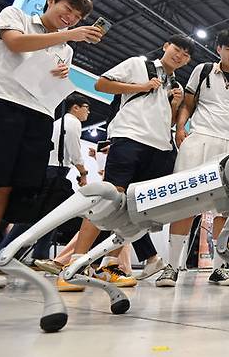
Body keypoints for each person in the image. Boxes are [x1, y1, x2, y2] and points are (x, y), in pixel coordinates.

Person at [0, 0, 100, 289]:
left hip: (37, 114)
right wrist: (67, 36)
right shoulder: (17, 16)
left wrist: (60, 71)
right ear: (50, 1)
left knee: (2, 187)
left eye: (76, 18)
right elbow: (14, 43)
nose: (70, 19)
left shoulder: (66, 48)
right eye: (67, 9)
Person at [56, 34, 193, 291]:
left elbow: (171, 121)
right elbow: (102, 84)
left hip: (160, 147)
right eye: (177, 49)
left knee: (135, 209)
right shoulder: (137, 65)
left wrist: (175, 104)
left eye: (186, 54)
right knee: (110, 200)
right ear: (165, 46)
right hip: (130, 136)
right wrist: (140, 87)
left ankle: (110, 265)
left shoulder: (175, 84)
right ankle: (72, 266)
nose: (180, 55)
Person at [169, 28, 229, 286]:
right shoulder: (203, 70)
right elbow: (188, 103)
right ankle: (171, 266)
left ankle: (218, 269)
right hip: (200, 139)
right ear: (218, 49)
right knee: (184, 203)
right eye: (228, 48)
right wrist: (180, 128)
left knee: (226, 209)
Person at [0, 92, 91, 265]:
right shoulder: (73, 122)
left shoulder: (57, 123)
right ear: (75, 107)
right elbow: (75, 152)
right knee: (32, 219)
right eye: (86, 108)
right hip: (54, 174)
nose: (88, 113)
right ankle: (2, 257)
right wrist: (83, 173)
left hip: (45, 170)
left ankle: (39, 256)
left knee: (49, 217)